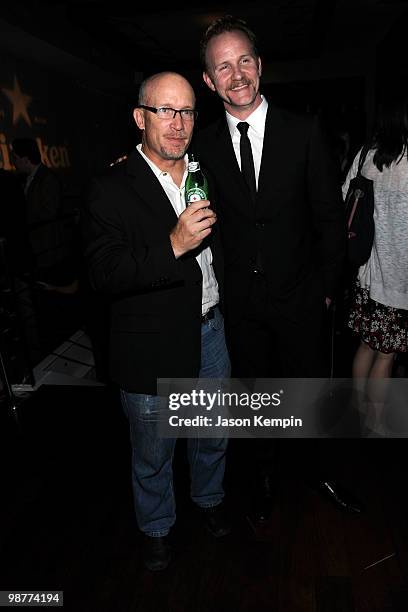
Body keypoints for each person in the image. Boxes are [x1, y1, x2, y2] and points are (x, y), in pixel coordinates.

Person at [195, 15, 360, 521]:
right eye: (223, 67)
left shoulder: (304, 131)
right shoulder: (202, 144)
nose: (236, 74)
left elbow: (330, 220)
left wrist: (328, 290)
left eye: (244, 60)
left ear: (260, 66)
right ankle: (263, 479)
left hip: (303, 298)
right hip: (242, 307)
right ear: (209, 81)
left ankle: (318, 472)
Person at [82, 72, 231, 571]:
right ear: (139, 117)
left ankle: (209, 502)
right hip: (149, 346)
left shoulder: (203, 173)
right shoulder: (109, 187)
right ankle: (157, 528)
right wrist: (173, 245)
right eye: (165, 110)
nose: (177, 123)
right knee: (153, 453)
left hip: (210, 332)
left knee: (212, 434)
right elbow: (105, 274)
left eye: (187, 111)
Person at [345, 85, 408, 435]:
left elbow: (345, 200)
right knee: (387, 355)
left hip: (366, 272)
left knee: (367, 346)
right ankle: (376, 420)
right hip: (399, 280)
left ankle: (357, 407)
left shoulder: (366, 154)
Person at [11, 138, 65, 286]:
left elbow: (49, 213)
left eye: (15, 158)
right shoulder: (26, 179)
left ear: (25, 159)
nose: (13, 162)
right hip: (37, 252)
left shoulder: (47, 179)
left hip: (48, 252)